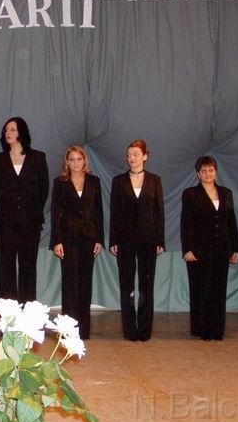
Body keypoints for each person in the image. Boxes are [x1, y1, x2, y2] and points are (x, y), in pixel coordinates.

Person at [181, 156, 238, 341]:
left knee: (218, 290)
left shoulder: (226, 193)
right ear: (198, 174)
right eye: (204, 171)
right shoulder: (190, 193)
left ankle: (217, 329)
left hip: (222, 249)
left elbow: (231, 222)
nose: (208, 174)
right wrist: (187, 249)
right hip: (199, 250)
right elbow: (186, 223)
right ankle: (202, 329)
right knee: (201, 289)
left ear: (216, 172)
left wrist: (236, 249)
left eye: (211, 170)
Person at [109, 140, 164, 341]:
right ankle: (130, 329)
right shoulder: (118, 181)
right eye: (129, 154)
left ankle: (145, 330)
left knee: (146, 286)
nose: (131, 158)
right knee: (127, 285)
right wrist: (113, 240)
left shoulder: (155, 180)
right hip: (125, 239)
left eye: (135, 154)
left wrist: (160, 240)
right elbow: (114, 212)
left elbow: (159, 212)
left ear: (145, 156)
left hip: (149, 239)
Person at [0, 117, 49, 304]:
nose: (7, 133)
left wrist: (30, 212)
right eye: (6, 130)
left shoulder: (38, 158)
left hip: (30, 223)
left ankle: (28, 312)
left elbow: (43, 190)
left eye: (12, 129)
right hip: (4, 223)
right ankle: (7, 313)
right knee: (6, 268)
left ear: (21, 132)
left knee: (28, 268)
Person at [50, 146, 103, 339]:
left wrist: (99, 239)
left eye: (79, 159)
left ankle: (84, 329)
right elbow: (55, 213)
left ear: (84, 161)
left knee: (85, 284)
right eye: (71, 159)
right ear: (67, 162)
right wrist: (56, 241)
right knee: (69, 284)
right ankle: (68, 329)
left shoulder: (94, 181)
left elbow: (98, 212)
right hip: (68, 239)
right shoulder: (60, 182)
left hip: (89, 238)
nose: (75, 163)